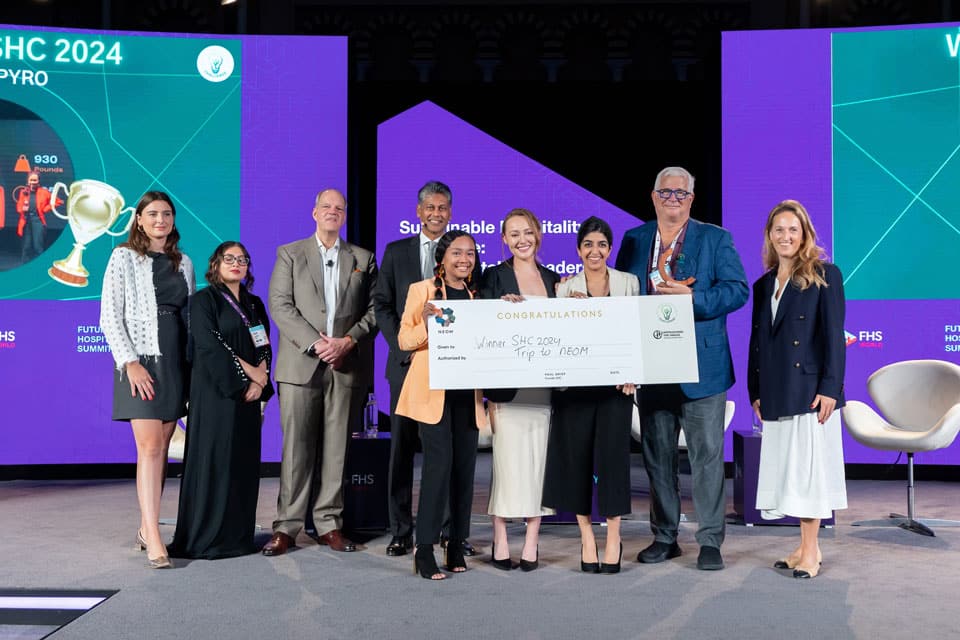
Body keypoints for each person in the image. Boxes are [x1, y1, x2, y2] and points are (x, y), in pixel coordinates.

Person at [615, 166, 748, 571]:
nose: (673, 199)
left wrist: (693, 298)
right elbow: (622, 296)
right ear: (653, 196)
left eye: (681, 193)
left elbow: (738, 290)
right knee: (657, 458)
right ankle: (665, 536)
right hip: (652, 365)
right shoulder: (634, 240)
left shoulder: (715, 238)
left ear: (692, 199)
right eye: (665, 192)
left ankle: (710, 540)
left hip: (701, 368)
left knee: (707, 458)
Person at [261, 188, 378, 556]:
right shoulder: (290, 254)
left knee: (337, 450)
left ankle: (329, 524)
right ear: (314, 213)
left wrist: (346, 342)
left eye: (339, 208)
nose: (332, 212)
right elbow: (280, 306)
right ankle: (288, 527)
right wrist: (317, 344)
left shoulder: (363, 258)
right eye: (326, 207)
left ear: (344, 216)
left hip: (345, 366)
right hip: (300, 366)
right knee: (296, 450)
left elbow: (374, 312)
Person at [373, 180, 478, 558]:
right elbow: (382, 306)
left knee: (450, 456)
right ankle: (402, 530)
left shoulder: (464, 261)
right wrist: (406, 351)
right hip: (406, 367)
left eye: (443, 208)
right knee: (401, 451)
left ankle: (451, 532)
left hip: (456, 374)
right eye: (430, 207)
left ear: (450, 212)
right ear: (418, 212)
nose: (436, 213)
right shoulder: (396, 251)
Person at [749, 199, 847, 579]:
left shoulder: (825, 275)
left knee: (808, 475)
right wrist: (755, 389)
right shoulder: (763, 285)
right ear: (769, 237)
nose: (785, 236)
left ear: (804, 233)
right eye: (778, 230)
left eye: (792, 229)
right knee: (788, 472)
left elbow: (833, 338)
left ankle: (810, 553)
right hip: (776, 390)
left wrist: (831, 388)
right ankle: (807, 546)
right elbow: (758, 343)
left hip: (810, 393)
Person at [99, 191, 195, 569]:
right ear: (138, 219)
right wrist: (130, 363)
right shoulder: (123, 256)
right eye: (152, 214)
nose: (161, 220)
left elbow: (188, 316)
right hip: (139, 362)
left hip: (175, 363)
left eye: (167, 213)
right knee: (150, 447)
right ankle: (154, 536)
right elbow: (110, 315)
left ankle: (145, 526)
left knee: (165, 446)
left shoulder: (183, 262)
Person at [542, 216, 639, 574]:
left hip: (615, 387)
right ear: (579, 250)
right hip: (575, 387)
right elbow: (557, 337)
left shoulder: (629, 283)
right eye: (587, 244)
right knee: (576, 460)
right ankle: (586, 535)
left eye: (601, 244)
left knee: (613, 460)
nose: (594, 251)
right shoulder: (564, 288)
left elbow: (636, 331)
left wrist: (634, 374)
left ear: (609, 249)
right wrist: (570, 310)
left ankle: (613, 535)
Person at [168, 241, 274, 559]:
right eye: (229, 258)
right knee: (215, 460)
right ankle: (209, 537)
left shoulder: (254, 303)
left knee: (241, 462)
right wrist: (249, 377)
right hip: (215, 392)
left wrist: (262, 378)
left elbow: (264, 344)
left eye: (242, 259)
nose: (236, 263)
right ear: (216, 264)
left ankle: (237, 536)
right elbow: (211, 344)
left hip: (249, 398)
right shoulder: (203, 301)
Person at [396, 230, 487, 580]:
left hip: (467, 393)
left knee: (464, 470)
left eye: (471, 254)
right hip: (434, 393)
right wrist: (428, 324)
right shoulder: (422, 291)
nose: (465, 260)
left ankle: (454, 542)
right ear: (442, 257)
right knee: (438, 467)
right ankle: (424, 548)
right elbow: (405, 338)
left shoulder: (479, 297)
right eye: (457, 253)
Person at [479, 208, 560, 571]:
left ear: (538, 234)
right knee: (507, 465)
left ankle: (531, 541)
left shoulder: (554, 279)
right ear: (504, 241)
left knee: (538, 465)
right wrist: (499, 310)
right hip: (507, 389)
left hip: (544, 388)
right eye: (513, 234)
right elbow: (481, 330)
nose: (521, 239)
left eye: (527, 232)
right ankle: (499, 537)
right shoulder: (493, 277)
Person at [15, 169, 60, 263]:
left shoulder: (44, 192)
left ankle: (39, 267)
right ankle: (25, 267)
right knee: (26, 247)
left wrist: (45, 209)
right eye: (31, 180)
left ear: (38, 181)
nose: (33, 182)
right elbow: (19, 207)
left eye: (35, 180)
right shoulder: (23, 192)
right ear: (28, 181)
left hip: (38, 221)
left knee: (38, 247)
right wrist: (22, 208)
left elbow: (57, 201)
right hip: (26, 221)